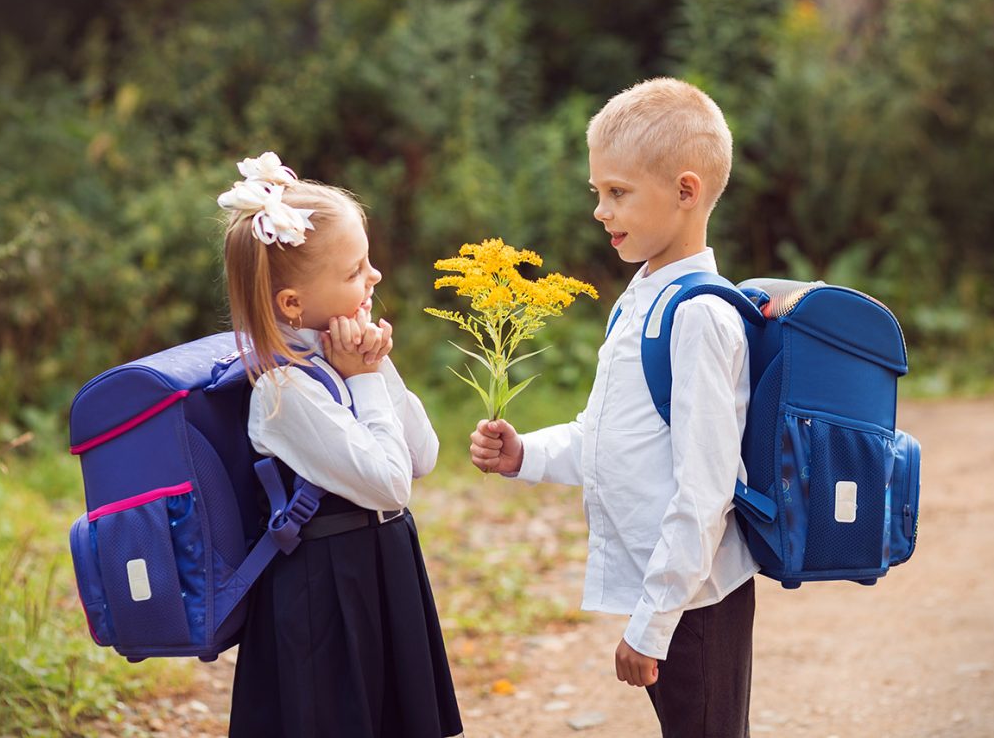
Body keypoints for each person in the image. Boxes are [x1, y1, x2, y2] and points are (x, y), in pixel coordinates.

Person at [470, 78, 758, 738]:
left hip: (695, 597)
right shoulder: (640, 299)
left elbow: (706, 489)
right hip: (672, 591)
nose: (601, 210)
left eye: (618, 192)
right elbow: (606, 437)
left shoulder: (701, 317)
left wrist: (654, 623)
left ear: (686, 191)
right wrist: (525, 454)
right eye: (598, 192)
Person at [218, 153, 463, 738]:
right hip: (324, 593)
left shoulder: (338, 362)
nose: (373, 276)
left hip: (379, 569)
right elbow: (389, 482)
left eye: (369, 262)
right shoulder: (284, 391)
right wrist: (362, 378)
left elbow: (422, 456)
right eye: (355, 271)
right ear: (292, 305)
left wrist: (374, 368)